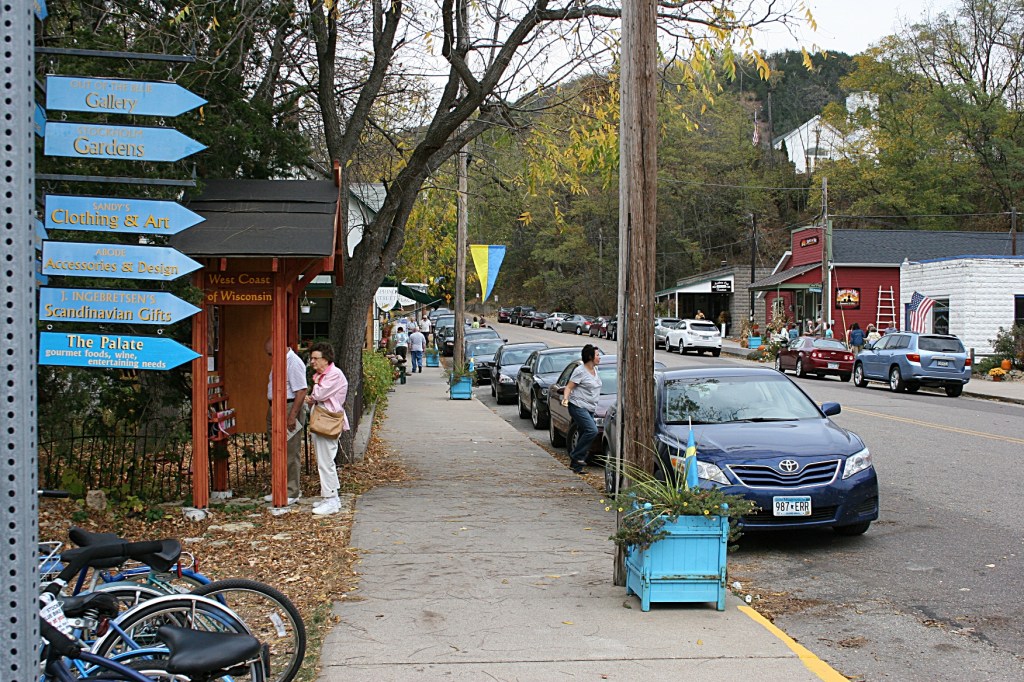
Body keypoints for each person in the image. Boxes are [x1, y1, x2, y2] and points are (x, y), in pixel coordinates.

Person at [305, 342, 349, 516]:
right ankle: (331, 496)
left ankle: (330, 498)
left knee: (326, 461)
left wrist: (314, 394)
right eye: (311, 358)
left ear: (326, 359)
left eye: (316, 358)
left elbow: (319, 395)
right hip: (324, 419)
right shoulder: (324, 375)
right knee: (324, 459)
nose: (312, 362)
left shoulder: (333, 375)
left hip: (328, 421)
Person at [263, 338, 308, 506]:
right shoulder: (280, 360)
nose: (270, 357)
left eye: (271, 354)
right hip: (276, 406)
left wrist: (292, 416)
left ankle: (292, 490)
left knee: (290, 450)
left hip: (288, 406)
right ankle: (279, 488)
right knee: (275, 449)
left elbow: (302, 390)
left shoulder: (293, 362)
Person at [560, 345, 603, 475]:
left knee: (583, 433)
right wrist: (565, 399)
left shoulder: (596, 370)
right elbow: (569, 387)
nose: (599, 357)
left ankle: (576, 467)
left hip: (590, 408)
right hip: (578, 406)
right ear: (590, 357)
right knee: (592, 430)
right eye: (597, 355)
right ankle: (576, 455)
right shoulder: (580, 371)